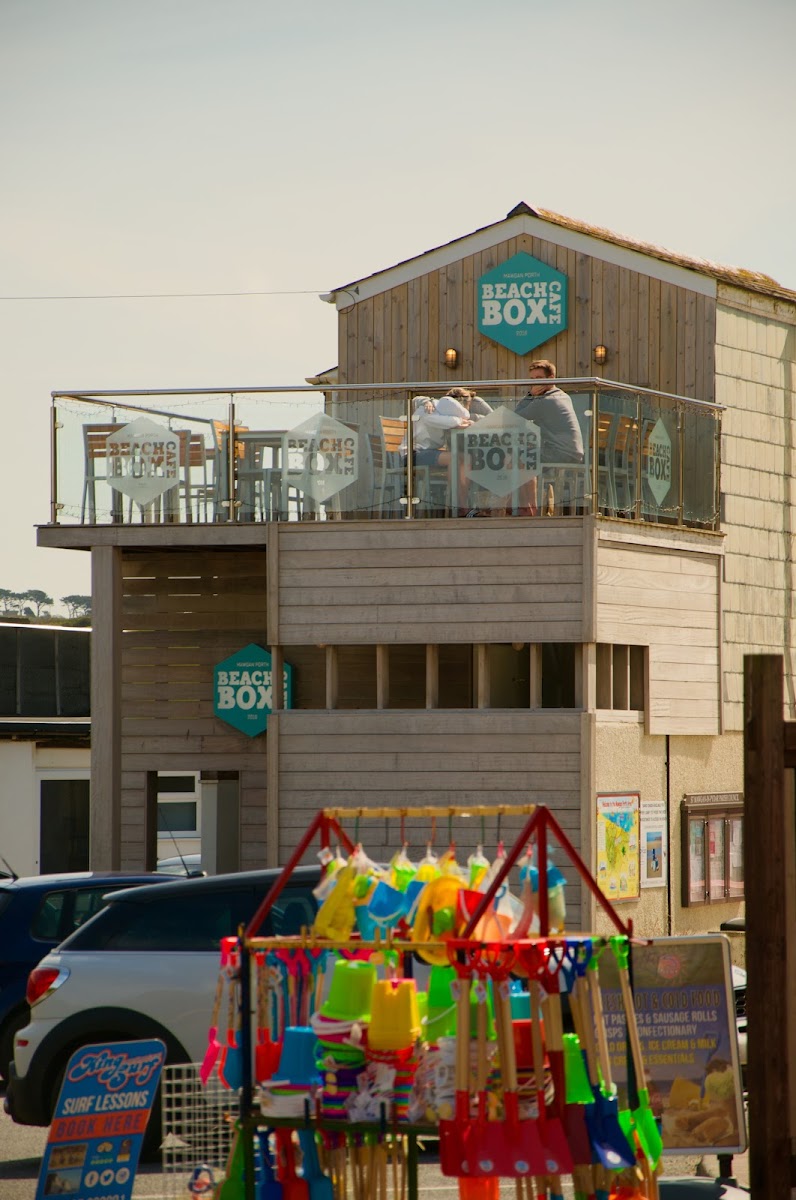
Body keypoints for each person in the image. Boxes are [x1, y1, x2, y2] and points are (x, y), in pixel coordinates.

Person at [516, 360, 584, 464]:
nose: (534, 384)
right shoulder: (563, 396)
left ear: (551, 378)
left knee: (512, 454)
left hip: (558, 453)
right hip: (573, 453)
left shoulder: (547, 400)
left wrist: (530, 395)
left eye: (538, 379)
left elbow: (514, 417)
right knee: (523, 453)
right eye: (532, 380)